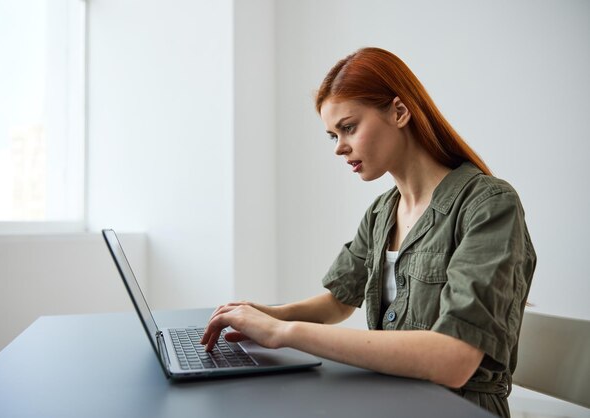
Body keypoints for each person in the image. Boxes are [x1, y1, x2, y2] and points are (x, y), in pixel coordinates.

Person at [201, 47, 536, 418]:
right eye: (333, 135)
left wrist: (285, 333)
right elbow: (337, 302)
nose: (340, 148)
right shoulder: (382, 211)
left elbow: (454, 360)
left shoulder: (488, 203)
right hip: (390, 400)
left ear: (399, 112)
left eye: (348, 127)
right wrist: (263, 315)